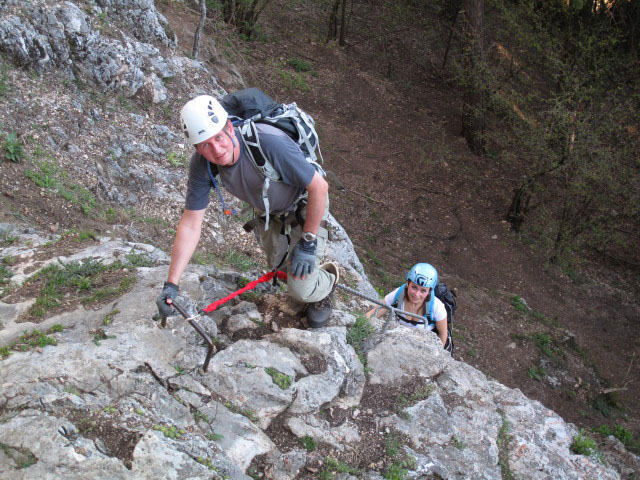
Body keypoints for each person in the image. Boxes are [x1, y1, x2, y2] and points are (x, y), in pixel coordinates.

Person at [156, 95, 338, 328]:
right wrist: (171, 284)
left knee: (301, 288)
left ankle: (327, 283)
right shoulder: (202, 166)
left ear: (230, 128)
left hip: (307, 204)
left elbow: (319, 187)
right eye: (205, 145)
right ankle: (307, 277)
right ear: (197, 149)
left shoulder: (268, 142)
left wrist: (309, 241)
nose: (216, 150)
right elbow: (191, 223)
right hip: (271, 214)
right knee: (281, 266)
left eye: (219, 138)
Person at [366, 263, 450, 349]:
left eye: (423, 291)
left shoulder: (436, 307)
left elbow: (443, 335)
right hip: (398, 343)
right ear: (407, 283)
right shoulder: (398, 295)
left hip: (424, 348)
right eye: (414, 287)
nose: (417, 294)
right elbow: (375, 312)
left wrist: (438, 354)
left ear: (429, 291)